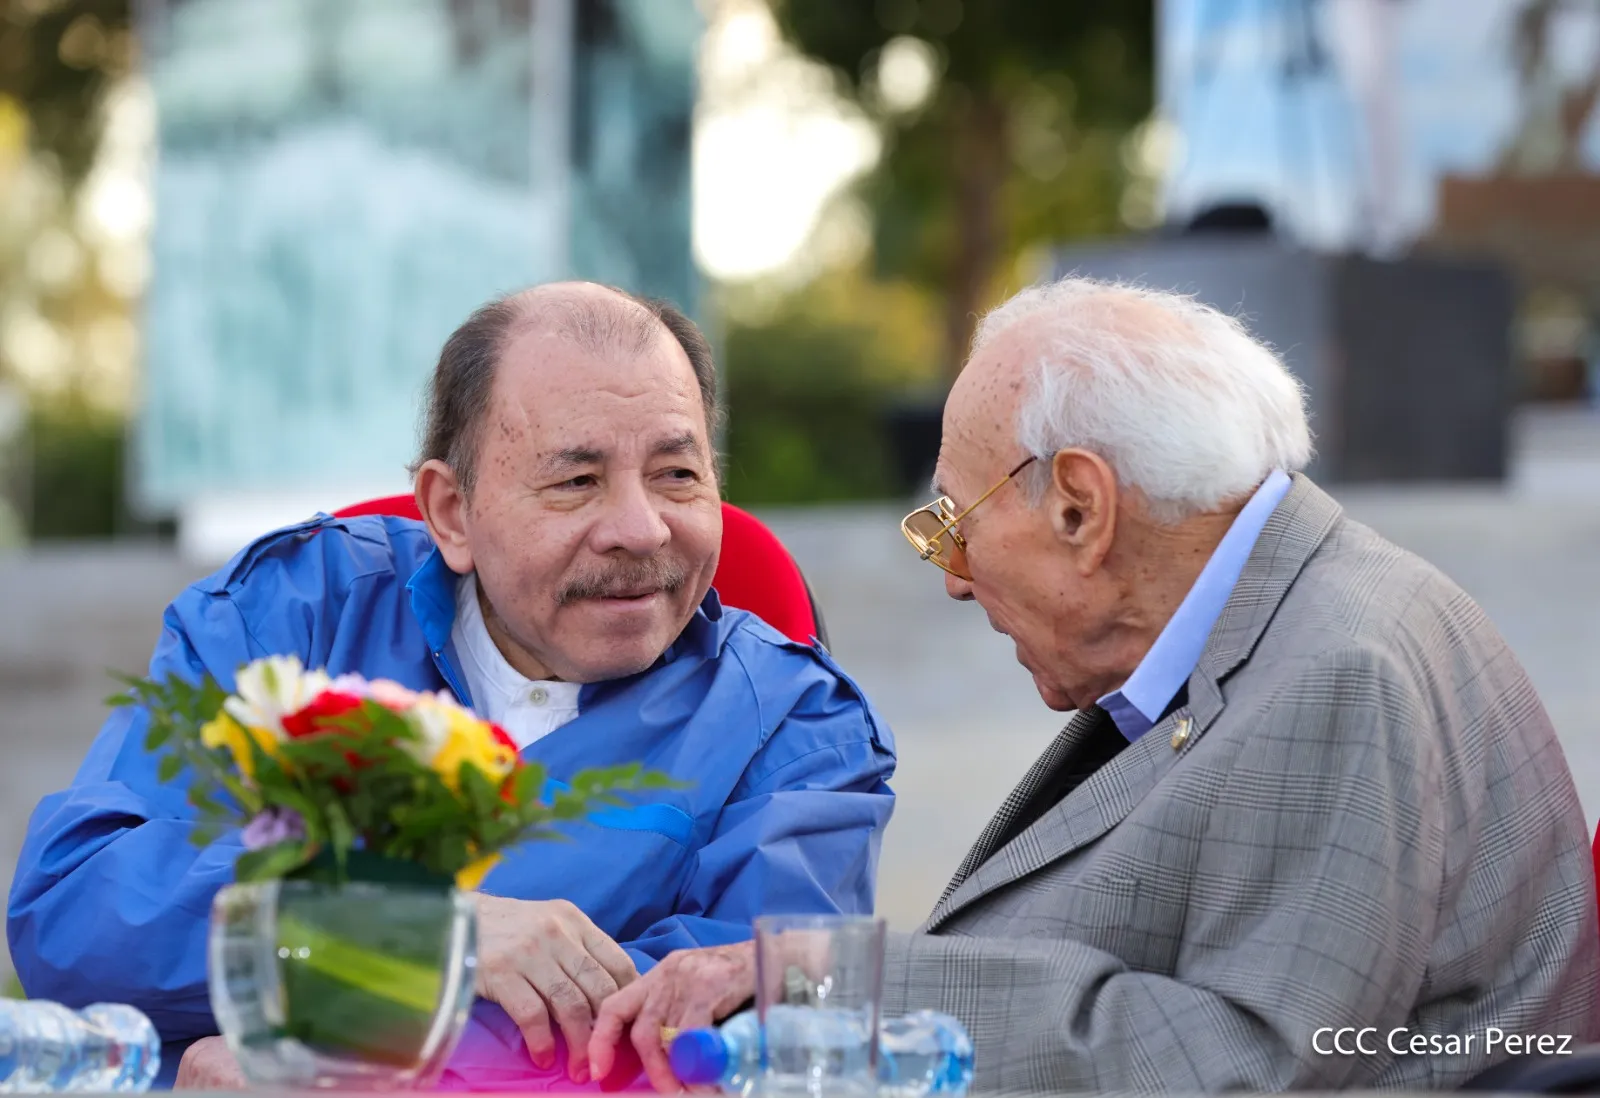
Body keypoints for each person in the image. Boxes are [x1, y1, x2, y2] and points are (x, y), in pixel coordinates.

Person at [588, 277, 1600, 1092]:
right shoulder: (1273, 621)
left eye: (954, 525)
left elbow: (1252, 1065)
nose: (951, 578)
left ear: (1080, 506)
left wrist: (839, 989)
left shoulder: (1338, 673)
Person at [7, 283, 896, 1090]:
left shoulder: (795, 727)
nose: (640, 528)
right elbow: (77, 917)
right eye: (577, 480)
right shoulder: (289, 619)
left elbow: (730, 1035)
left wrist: (305, 1042)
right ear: (451, 512)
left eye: (678, 475)